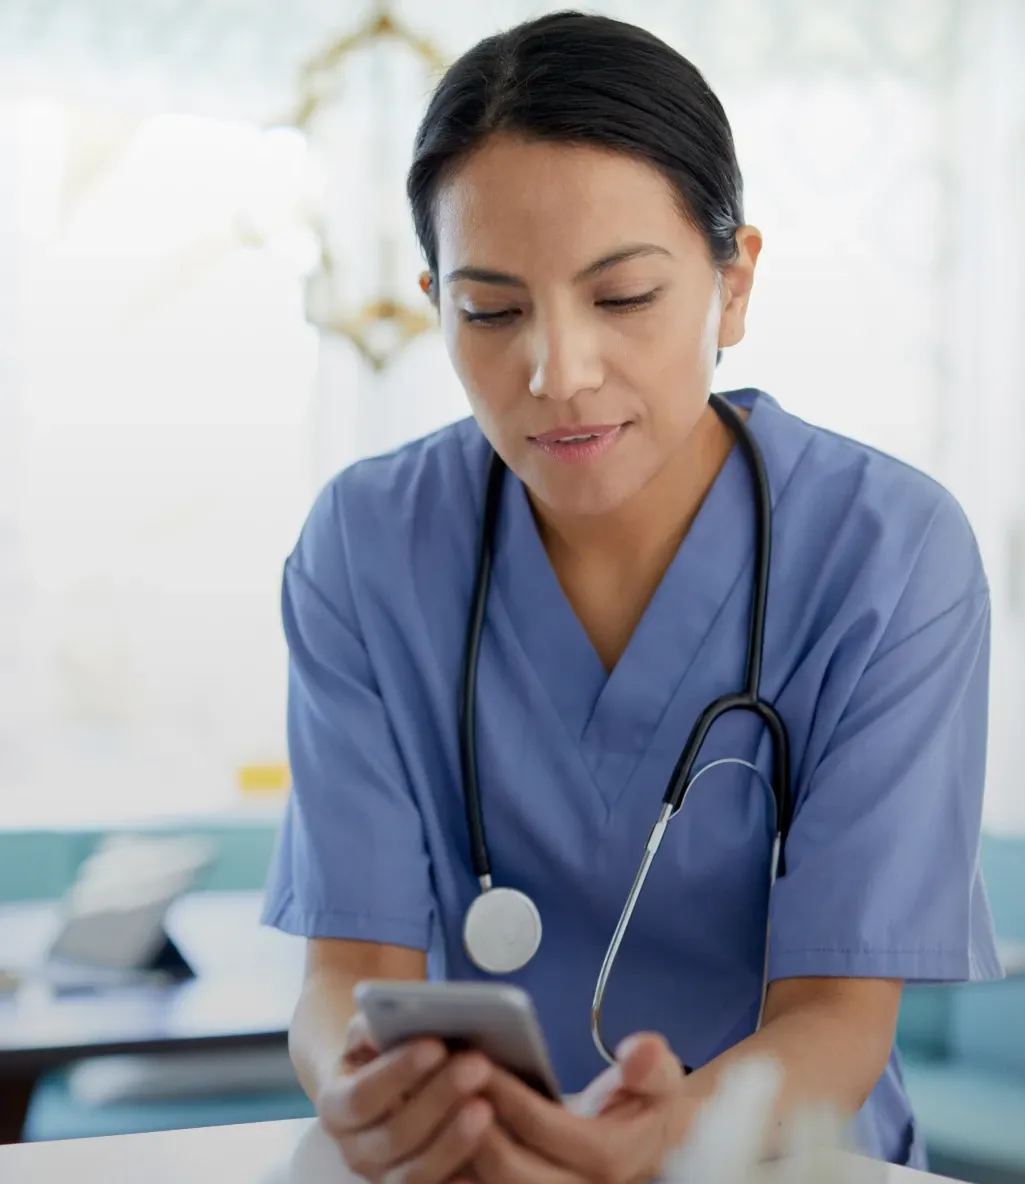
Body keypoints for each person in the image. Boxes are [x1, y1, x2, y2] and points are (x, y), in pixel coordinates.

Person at [261, 10, 1002, 1183]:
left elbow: (838, 1021)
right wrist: (354, 1086)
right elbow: (346, 973)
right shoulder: (366, 547)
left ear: (731, 281)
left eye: (621, 296)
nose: (556, 372)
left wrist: (658, 1136)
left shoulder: (887, 553)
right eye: (491, 310)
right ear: (435, 299)